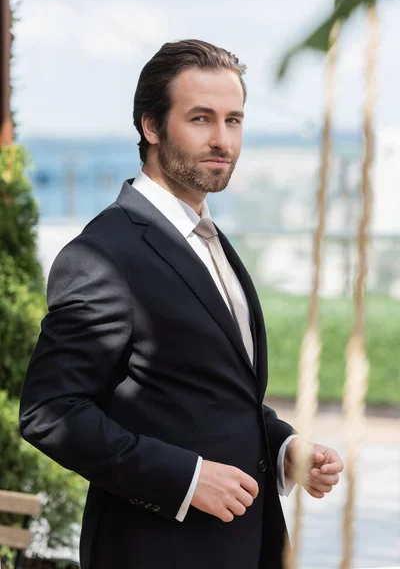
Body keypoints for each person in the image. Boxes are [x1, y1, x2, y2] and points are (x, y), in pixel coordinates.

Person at [19, 39, 343, 569]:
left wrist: (284, 449)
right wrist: (185, 480)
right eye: (201, 119)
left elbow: (205, 391)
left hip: (249, 545)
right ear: (151, 126)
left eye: (234, 120)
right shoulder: (102, 254)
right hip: (156, 550)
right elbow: (50, 412)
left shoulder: (209, 240)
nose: (222, 140)